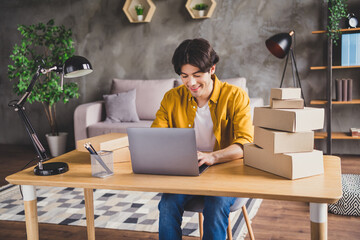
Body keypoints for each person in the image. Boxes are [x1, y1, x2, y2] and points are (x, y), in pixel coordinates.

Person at [151, 38, 253, 240]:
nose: (191, 83)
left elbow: (244, 144)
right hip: (187, 173)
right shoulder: (172, 98)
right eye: (184, 76)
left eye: (197, 75)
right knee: (167, 204)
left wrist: (213, 157)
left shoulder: (235, 96)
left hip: (226, 173)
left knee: (216, 206)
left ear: (212, 69)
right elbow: (156, 137)